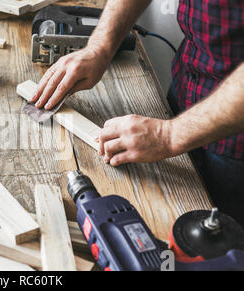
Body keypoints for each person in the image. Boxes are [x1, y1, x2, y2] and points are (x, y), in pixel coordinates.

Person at [31, 0, 244, 225]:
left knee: (216, 245)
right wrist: (99, 46)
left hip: (234, 141)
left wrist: (168, 135)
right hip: (187, 86)